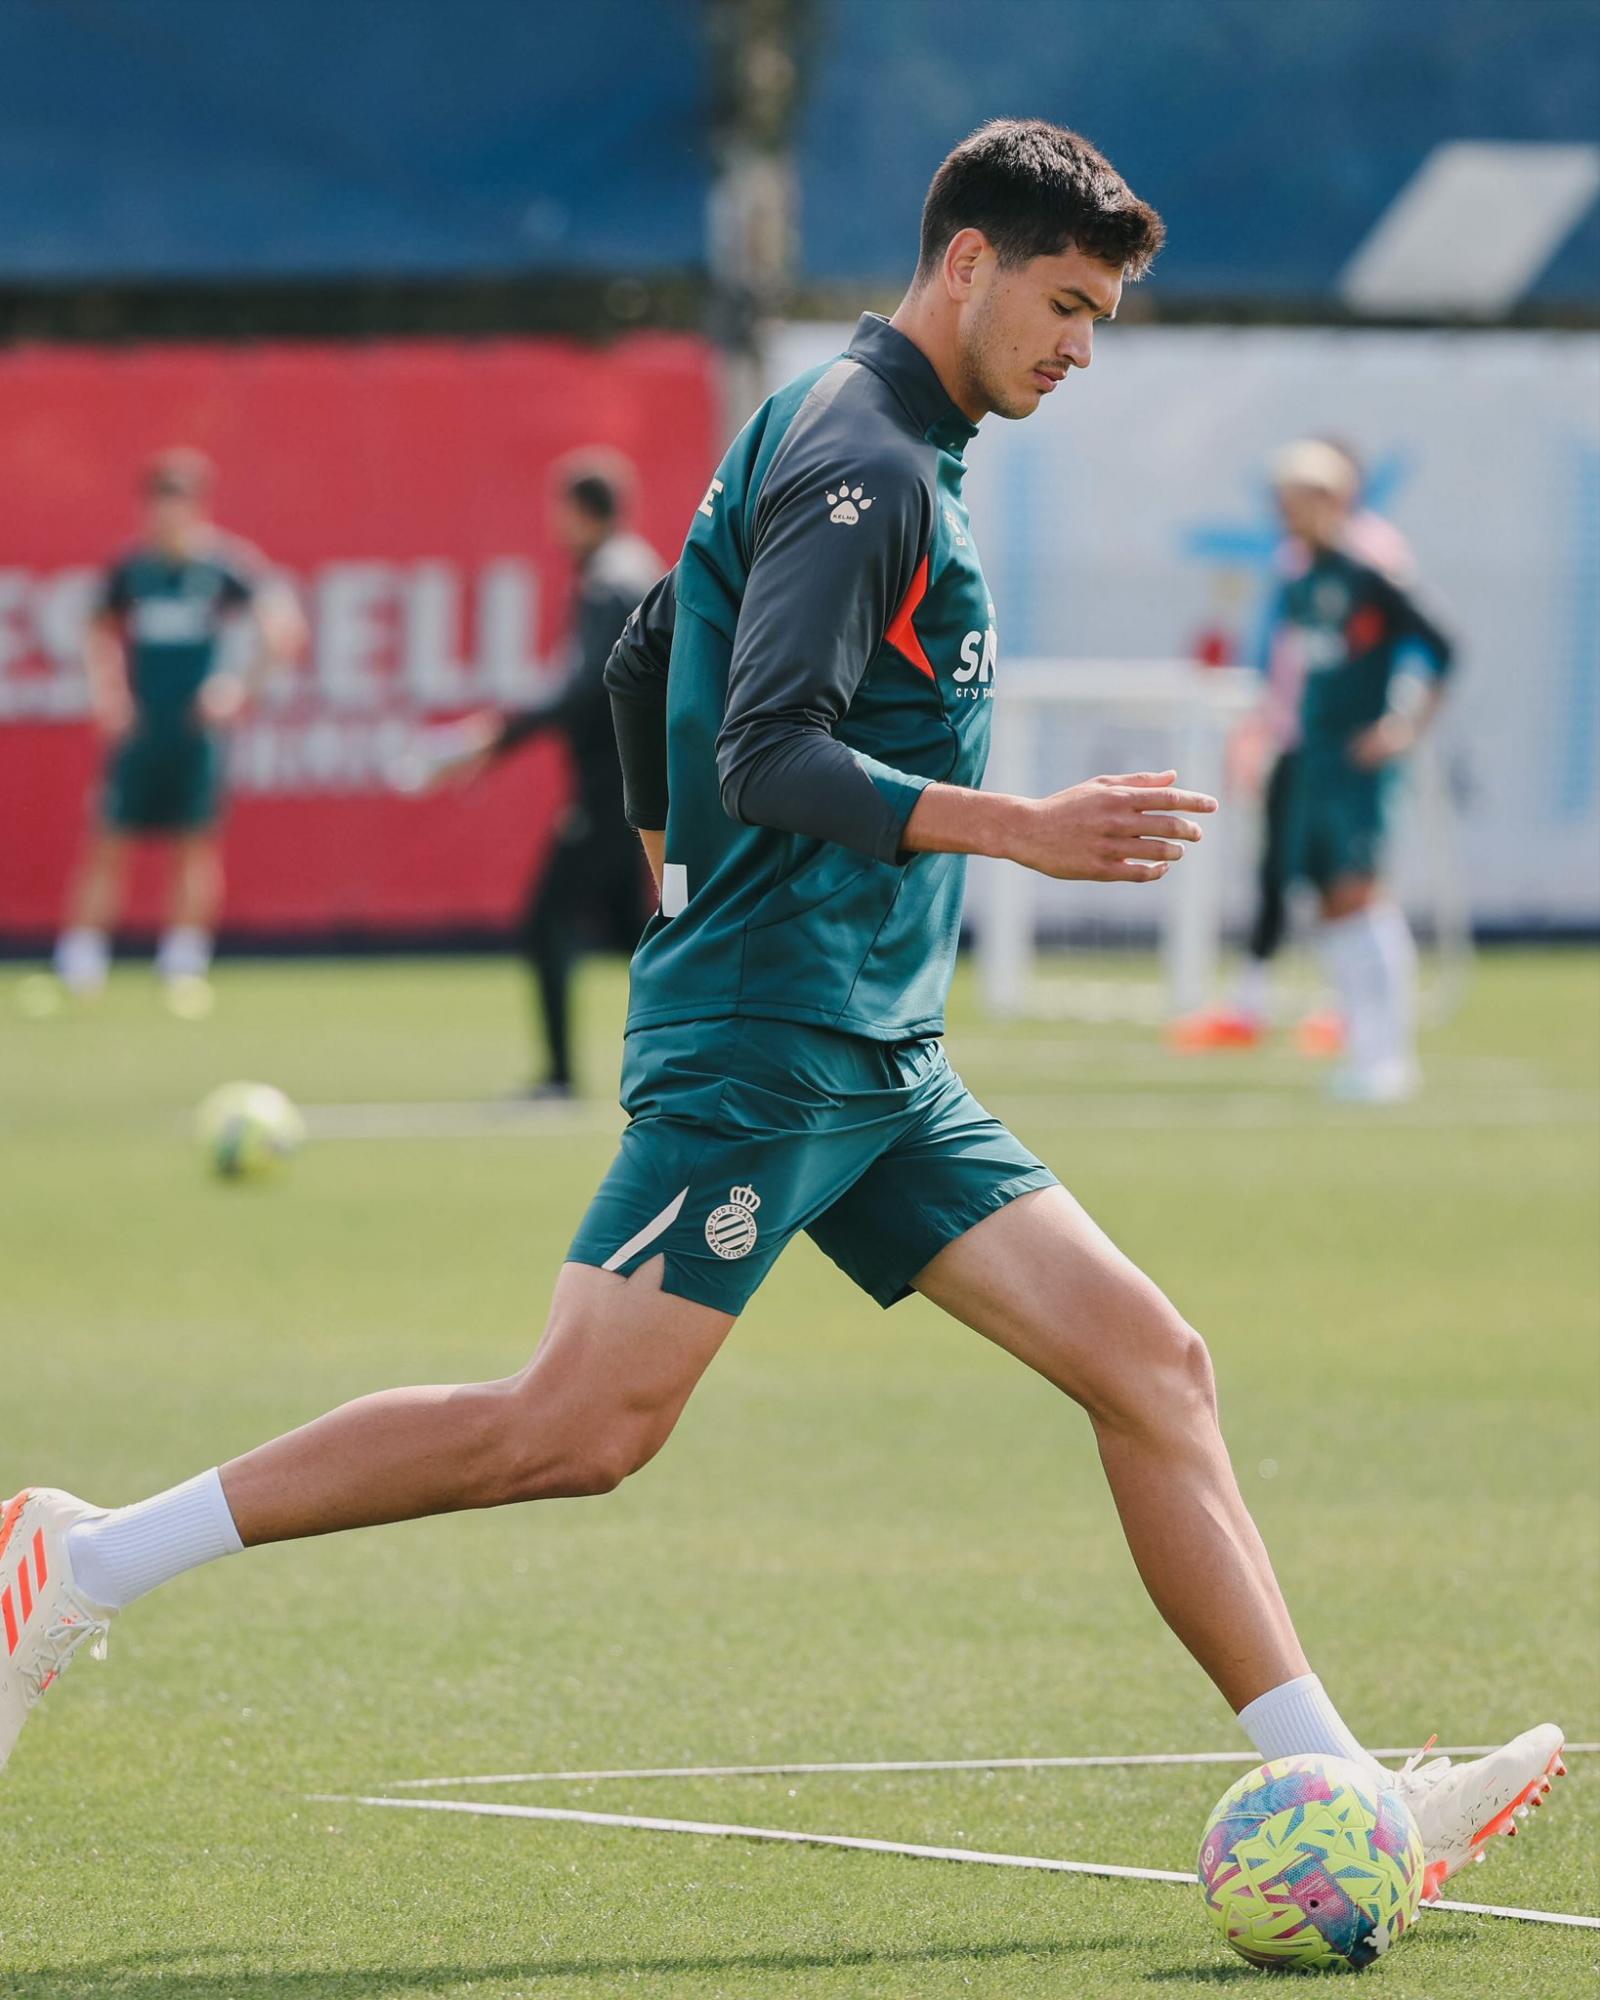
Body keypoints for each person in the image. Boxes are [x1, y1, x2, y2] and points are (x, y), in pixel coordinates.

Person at [2, 123, 1559, 1900]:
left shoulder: (856, 432)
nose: (1081, 347)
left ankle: (1341, 1796)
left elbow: (647, 658)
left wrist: (685, 883)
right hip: (776, 1042)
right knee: (570, 1432)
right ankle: (89, 1559)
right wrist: (1010, 836)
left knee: (1153, 1367)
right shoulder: (865, 457)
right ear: (964, 260)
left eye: (1106, 317)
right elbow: (764, 742)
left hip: (874, 1052)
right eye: (1064, 303)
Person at [1171, 441, 1418, 1060]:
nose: (1283, 510)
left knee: (1354, 885)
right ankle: (1286, 1010)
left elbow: (1422, 641)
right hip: (1298, 742)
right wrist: (1260, 729)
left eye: (1296, 497)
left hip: (1349, 752)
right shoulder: (1297, 564)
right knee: (1287, 871)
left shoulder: (1371, 560)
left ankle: (1376, 1039)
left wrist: (1400, 720)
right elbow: (1282, 657)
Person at [427, 453, 663, 1096]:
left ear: (582, 513)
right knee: (639, 936)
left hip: (617, 789)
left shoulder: (607, 580)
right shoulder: (629, 568)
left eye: (561, 510)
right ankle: (721, 1053)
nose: (553, 524)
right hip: (637, 783)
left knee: (548, 921)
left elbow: (588, 687)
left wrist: (496, 737)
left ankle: (561, 1078)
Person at [51, 449, 305, 1011]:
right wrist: (108, 694)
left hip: (195, 730)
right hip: (143, 728)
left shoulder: (222, 567)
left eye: (177, 502)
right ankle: (81, 961)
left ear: (196, 507)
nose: (165, 515)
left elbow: (282, 624)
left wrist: (239, 689)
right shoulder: (132, 570)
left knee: (194, 845)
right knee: (108, 840)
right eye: (157, 502)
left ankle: (184, 963)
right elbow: (96, 629)